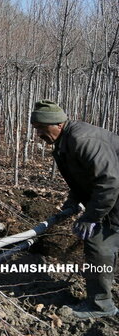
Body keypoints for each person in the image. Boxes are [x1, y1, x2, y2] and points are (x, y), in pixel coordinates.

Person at [31, 100, 119, 319]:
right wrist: (73, 202)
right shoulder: (65, 142)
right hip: (111, 192)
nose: (39, 133)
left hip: (114, 192)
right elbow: (82, 177)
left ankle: (101, 306)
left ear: (58, 124)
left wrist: (91, 217)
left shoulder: (82, 140)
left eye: (42, 128)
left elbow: (108, 182)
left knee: (99, 244)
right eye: (37, 129)